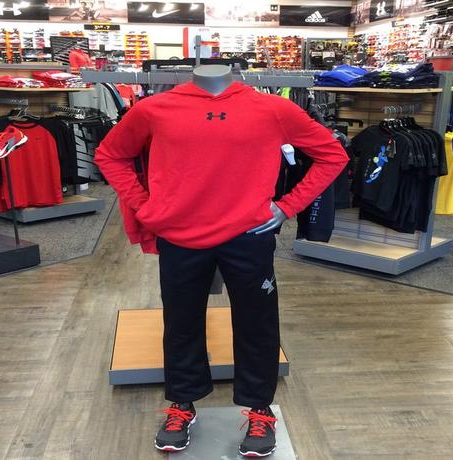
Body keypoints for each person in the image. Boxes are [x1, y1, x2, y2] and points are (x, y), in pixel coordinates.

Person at [95, 65, 348, 457]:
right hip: (180, 235)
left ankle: (260, 409)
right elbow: (110, 155)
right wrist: (144, 205)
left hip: (248, 235)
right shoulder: (154, 108)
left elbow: (332, 154)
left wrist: (287, 206)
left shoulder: (272, 108)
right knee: (180, 323)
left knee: (258, 323)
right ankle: (182, 402)